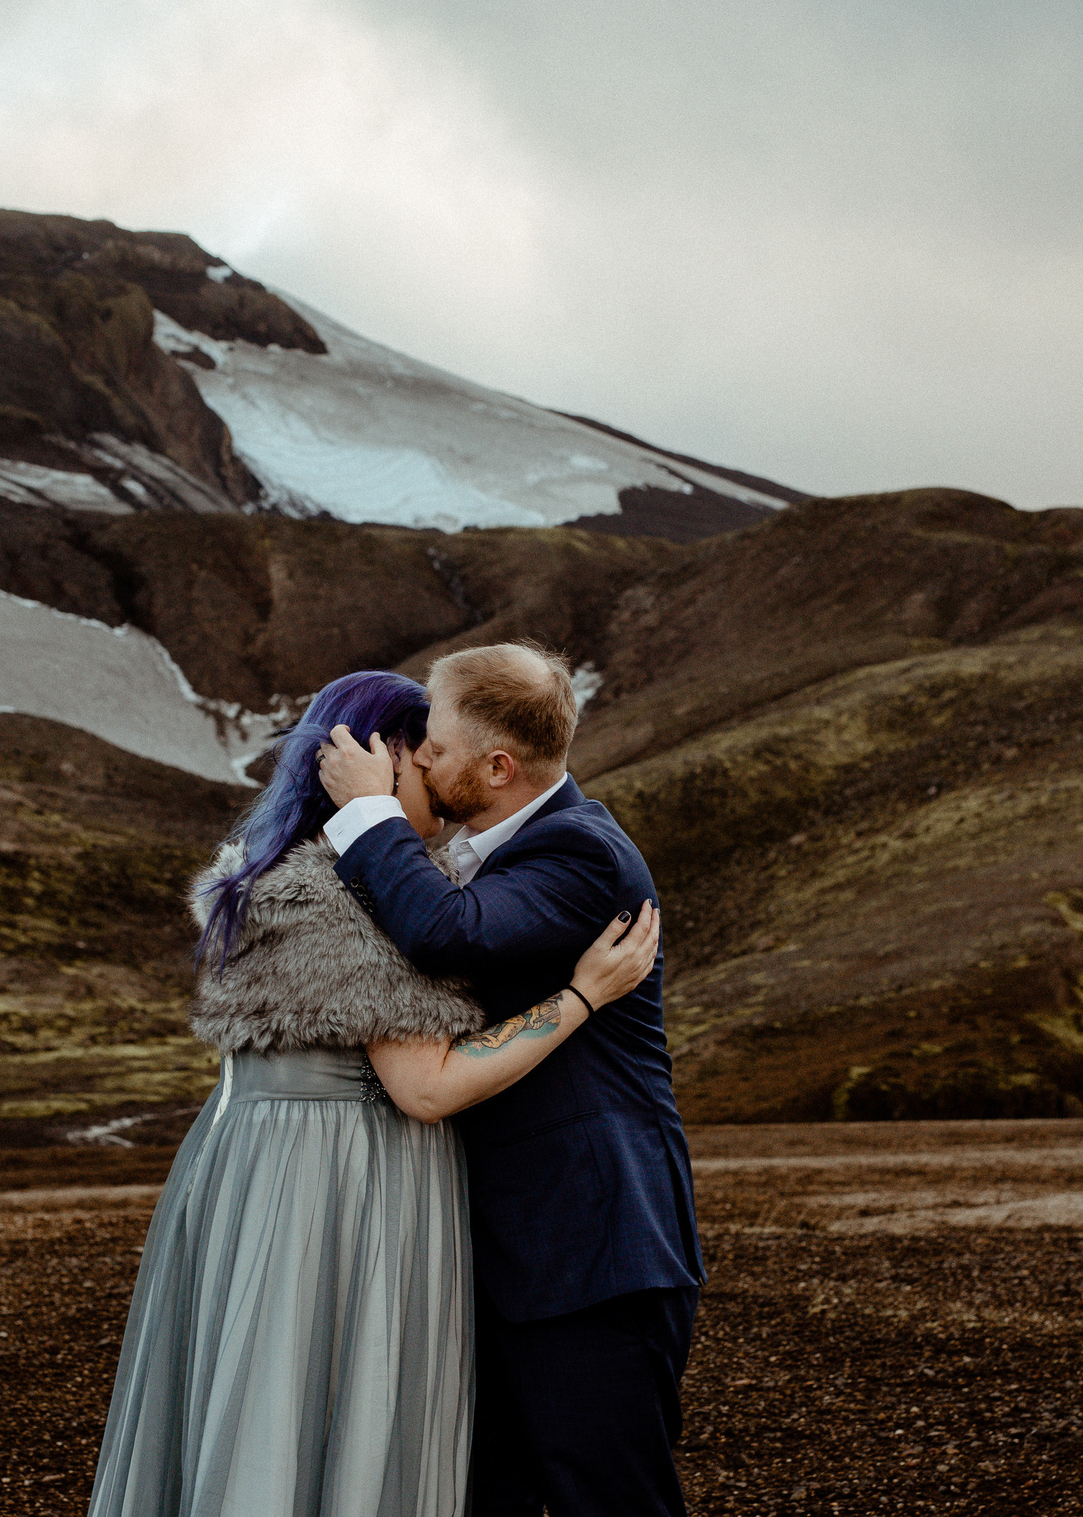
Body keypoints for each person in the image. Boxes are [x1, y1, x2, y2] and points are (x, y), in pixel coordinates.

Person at [86, 668, 662, 1517]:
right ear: (373, 764)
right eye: (424, 762)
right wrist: (580, 997)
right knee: (320, 1418)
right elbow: (426, 1087)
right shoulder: (359, 893)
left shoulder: (277, 875)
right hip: (338, 1195)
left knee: (260, 1414)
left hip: (261, 1179)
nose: (442, 786)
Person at [318, 641, 702, 1517]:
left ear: (497, 766)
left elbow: (446, 934)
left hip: (592, 1249)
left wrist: (368, 814)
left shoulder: (581, 853)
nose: (417, 757)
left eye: (436, 747)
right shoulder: (507, 848)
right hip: (524, 1254)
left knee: (609, 1500)